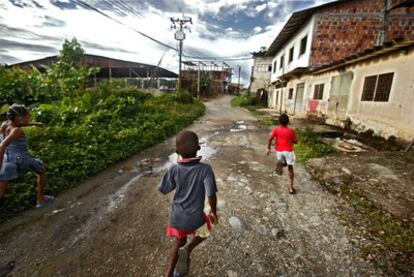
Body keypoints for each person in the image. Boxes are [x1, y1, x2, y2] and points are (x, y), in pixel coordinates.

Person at [159, 130, 218, 277]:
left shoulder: (174, 169)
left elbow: (163, 189)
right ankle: (188, 249)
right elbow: (211, 194)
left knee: (179, 240)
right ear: (198, 148)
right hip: (195, 218)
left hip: (177, 217)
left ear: (177, 151)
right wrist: (213, 211)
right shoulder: (205, 169)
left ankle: (169, 274)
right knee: (206, 230)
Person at [0, 104, 54, 208]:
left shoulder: (5, 125)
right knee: (41, 169)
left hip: (7, 161)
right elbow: (2, 145)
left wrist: (36, 124)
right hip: (20, 160)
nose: (29, 120)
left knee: (1, 191)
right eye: (28, 117)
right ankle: (40, 199)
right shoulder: (17, 131)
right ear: (20, 119)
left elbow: (22, 124)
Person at [267, 113, 298, 194]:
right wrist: (292, 140)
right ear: (288, 122)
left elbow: (270, 139)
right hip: (288, 151)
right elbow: (296, 141)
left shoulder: (276, 130)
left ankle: (282, 162)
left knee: (281, 159)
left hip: (279, 151)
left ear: (279, 122)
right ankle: (291, 188)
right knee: (290, 168)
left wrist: (268, 148)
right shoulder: (291, 131)